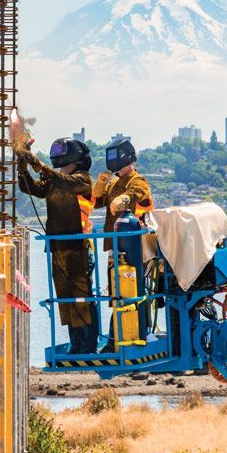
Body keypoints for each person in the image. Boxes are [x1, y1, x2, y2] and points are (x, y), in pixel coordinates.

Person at [17, 137, 98, 354]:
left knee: (80, 296)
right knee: (65, 297)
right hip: (58, 246)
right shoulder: (56, 179)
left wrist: (36, 163)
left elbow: (61, 181)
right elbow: (30, 187)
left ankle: (87, 344)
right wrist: (22, 162)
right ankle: (76, 344)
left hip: (78, 246)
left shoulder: (83, 180)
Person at [93, 137, 154, 351]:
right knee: (117, 291)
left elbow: (137, 194)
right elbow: (97, 203)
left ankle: (127, 336)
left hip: (134, 245)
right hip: (116, 245)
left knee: (130, 291)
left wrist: (124, 200)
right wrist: (100, 186)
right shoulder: (114, 183)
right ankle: (119, 336)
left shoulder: (138, 180)